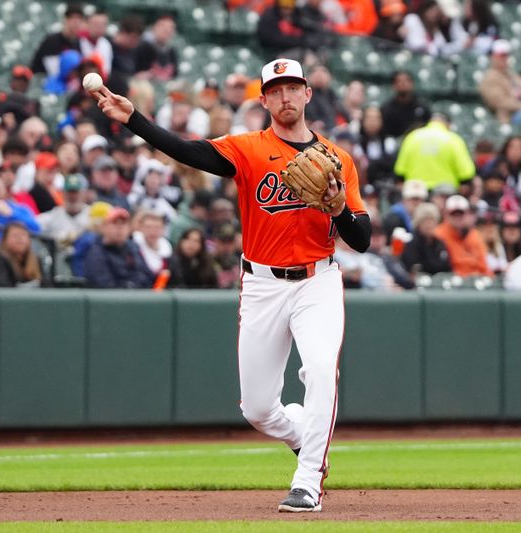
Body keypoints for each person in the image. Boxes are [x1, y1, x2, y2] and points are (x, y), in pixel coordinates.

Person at [92, 57, 370, 512]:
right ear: (263, 100)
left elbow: (361, 239)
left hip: (317, 280)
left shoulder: (338, 160)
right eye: (275, 90)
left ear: (307, 94)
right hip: (261, 284)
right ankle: (304, 437)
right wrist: (135, 121)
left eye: (292, 87)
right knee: (258, 409)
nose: (285, 96)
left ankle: (307, 483)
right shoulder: (248, 149)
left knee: (321, 370)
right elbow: (189, 151)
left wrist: (339, 208)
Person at [393, 114, 475, 192]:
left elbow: (400, 170)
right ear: (448, 125)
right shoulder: (453, 139)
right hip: (445, 193)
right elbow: (467, 173)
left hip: (416, 191)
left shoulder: (412, 137)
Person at [83, 207, 153, 288]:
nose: (119, 228)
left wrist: (133, 284)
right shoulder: (96, 252)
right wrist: (129, 285)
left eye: (123, 224)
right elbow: (104, 285)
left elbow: (147, 276)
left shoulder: (133, 248)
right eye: (115, 223)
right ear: (104, 227)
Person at [434, 195, 492, 276]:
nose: (457, 217)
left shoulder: (474, 235)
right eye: (453, 214)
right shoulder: (438, 235)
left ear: (467, 214)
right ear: (445, 214)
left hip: (477, 281)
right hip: (451, 282)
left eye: (461, 213)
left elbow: (484, 265)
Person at [0, 222, 45, 288]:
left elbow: (47, 286)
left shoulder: (35, 260)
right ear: (4, 240)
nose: (19, 239)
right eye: (15, 235)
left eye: (23, 235)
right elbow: (1, 288)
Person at [30, 3, 85, 78]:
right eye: (72, 19)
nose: (76, 23)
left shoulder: (80, 42)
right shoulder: (52, 40)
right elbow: (53, 71)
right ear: (65, 20)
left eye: (79, 19)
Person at [400, 202, 451, 275]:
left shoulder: (440, 244)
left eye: (432, 220)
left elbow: (446, 266)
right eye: (425, 221)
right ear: (418, 224)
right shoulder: (411, 245)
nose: (429, 225)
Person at [380, 71, 431, 138]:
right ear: (394, 85)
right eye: (399, 81)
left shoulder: (422, 106)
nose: (403, 84)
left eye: (406, 81)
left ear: (412, 84)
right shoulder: (387, 109)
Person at [134, 15, 178, 82]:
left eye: (171, 29)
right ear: (155, 27)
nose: (167, 32)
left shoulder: (171, 51)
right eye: (164, 29)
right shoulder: (142, 47)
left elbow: (174, 75)